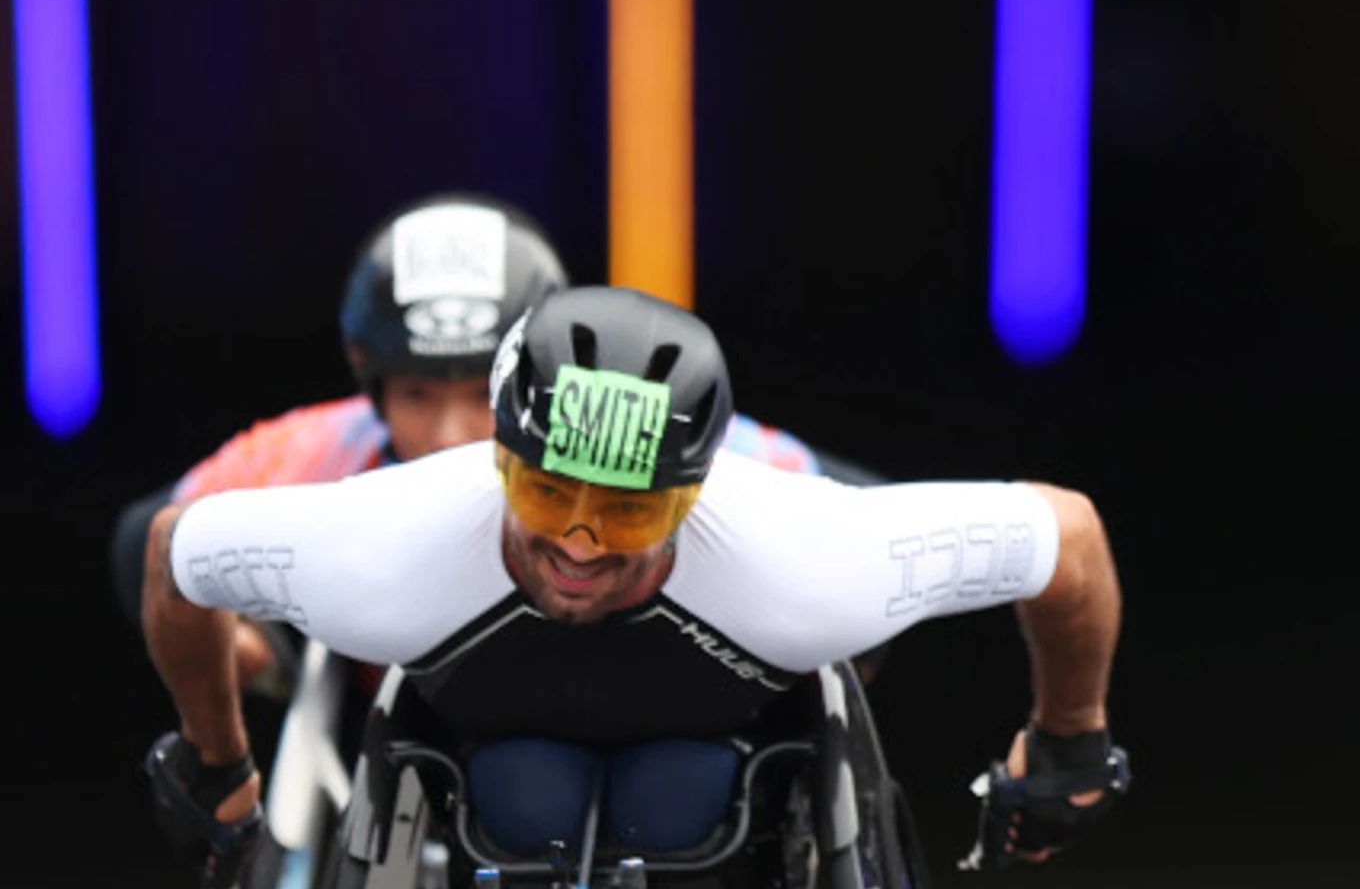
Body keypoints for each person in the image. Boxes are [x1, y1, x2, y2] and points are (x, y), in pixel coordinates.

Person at [137, 287, 1125, 889]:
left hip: (710, 750)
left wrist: (1071, 733)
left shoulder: (808, 557)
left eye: (623, 510)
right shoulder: (384, 543)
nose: (576, 538)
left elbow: (1069, 537)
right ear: (502, 457)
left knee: (675, 799)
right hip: (497, 749)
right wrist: (217, 757)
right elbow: (173, 550)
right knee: (526, 795)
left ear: (695, 492)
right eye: (547, 490)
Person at [103, 197, 837, 690]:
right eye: (419, 396)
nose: (450, 434)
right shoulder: (321, 451)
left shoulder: (637, 431)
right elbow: (153, 535)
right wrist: (257, 655)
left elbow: (846, 503)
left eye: (480, 393)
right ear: (373, 386)